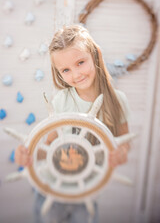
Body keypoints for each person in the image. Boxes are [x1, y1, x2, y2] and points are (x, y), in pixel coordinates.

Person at [15, 25, 131, 223]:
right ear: (58, 73)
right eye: (66, 70)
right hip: (51, 186)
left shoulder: (117, 101)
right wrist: (28, 154)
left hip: (87, 189)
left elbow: (124, 142)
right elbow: (48, 146)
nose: (76, 74)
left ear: (94, 55)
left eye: (80, 62)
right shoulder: (61, 100)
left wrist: (121, 153)